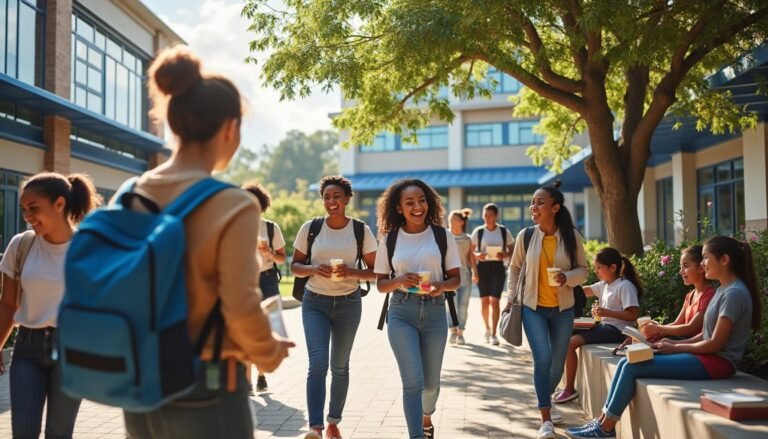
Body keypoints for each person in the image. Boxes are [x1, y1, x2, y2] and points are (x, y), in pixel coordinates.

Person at [120, 45, 293, 439]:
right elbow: (239, 301)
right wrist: (269, 352)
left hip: (140, 379)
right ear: (229, 128)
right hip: (206, 381)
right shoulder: (231, 204)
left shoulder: (132, 193)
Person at [566, 235, 762, 439]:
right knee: (628, 362)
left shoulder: (733, 294)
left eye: (705, 258)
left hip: (718, 363)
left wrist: (676, 347)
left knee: (632, 367)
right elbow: (706, 334)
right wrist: (670, 343)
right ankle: (602, 421)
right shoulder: (724, 290)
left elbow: (714, 344)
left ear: (724, 260)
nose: (703, 264)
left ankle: (606, 427)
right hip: (706, 358)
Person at [0, 172, 100, 439]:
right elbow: (8, 304)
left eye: (34, 208)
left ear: (59, 204)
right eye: (24, 209)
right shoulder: (20, 246)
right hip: (27, 349)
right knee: (23, 432)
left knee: (59, 433)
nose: (27, 216)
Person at [291, 175, 378, 439]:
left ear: (347, 199)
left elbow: (377, 272)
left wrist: (352, 272)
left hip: (348, 304)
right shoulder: (311, 228)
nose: (331, 202)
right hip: (314, 301)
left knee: (340, 366)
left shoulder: (361, 230)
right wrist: (313, 268)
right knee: (317, 363)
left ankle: (333, 421)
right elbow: (294, 266)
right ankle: (315, 427)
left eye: (337, 196)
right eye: (327, 197)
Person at [374, 179, 461, 439]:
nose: (417, 206)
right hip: (401, 311)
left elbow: (456, 278)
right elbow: (380, 285)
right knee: (413, 382)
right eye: (409, 202)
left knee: (430, 384)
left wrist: (440, 286)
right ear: (399, 208)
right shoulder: (389, 239)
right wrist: (400, 280)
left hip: (435, 311)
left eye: (422, 200)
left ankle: (426, 418)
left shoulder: (442, 236)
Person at [507, 181, 588, 439]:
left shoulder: (571, 236)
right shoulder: (526, 236)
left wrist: (567, 277)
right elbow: (515, 268)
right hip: (533, 308)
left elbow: (584, 271)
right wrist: (512, 296)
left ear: (555, 207)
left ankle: (546, 397)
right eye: (533, 202)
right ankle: (545, 420)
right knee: (542, 359)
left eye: (539, 202)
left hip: (563, 309)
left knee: (556, 364)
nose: (534, 207)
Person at [554, 247, 642, 404]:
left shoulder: (625, 286)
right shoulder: (605, 284)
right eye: (595, 268)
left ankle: (569, 389)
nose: (597, 271)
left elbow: (633, 315)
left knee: (569, 344)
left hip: (618, 331)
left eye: (599, 267)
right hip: (604, 326)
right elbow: (584, 291)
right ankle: (558, 382)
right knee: (564, 331)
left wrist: (606, 312)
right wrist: (564, 283)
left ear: (613, 267)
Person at [243, 182, 287, 394]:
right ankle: (247, 381)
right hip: (245, 281)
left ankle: (261, 374)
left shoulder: (271, 228)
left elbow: (282, 258)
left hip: (268, 279)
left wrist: (268, 253)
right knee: (245, 329)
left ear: (262, 205)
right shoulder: (235, 227)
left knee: (267, 329)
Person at [641, 245, 716, 342]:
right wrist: (651, 333)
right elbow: (677, 324)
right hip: (683, 343)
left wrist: (658, 329)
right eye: (681, 267)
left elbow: (691, 329)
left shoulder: (709, 294)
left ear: (701, 268)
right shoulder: (690, 295)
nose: (681, 272)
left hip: (693, 347)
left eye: (686, 266)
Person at [470, 203, 515, 345]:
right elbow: (470, 253)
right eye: (485, 215)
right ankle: (487, 329)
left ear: (496, 216)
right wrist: (477, 259)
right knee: (484, 302)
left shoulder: (504, 232)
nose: (488, 218)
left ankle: (494, 334)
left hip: (498, 269)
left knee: (495, 301)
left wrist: (505, 254)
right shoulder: (478, 231)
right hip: (482, 268)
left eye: (490, 215)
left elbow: (513, 250)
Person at [448, 209, 475, 345]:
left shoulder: (468, 239)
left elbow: (471, 258)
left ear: (461, 222)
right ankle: (452, 331)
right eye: (450, 219)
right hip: (449, 277)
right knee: (451, 305)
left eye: (454, 219)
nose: (451, 222)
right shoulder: (446, 237)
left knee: (463, 306)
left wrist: (475, 272)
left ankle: (461, 333)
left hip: (465, 275)